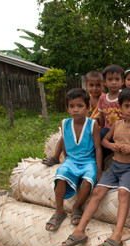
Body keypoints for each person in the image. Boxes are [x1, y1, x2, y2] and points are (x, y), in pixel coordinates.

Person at [59, 88, 130, 246]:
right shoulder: (117, 125)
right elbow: (104, 141)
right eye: (126, 106)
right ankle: (80, 230)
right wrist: (111, 145)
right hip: (115, 166)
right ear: (120, 108)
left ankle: (117, 235)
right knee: (97, 192)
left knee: (123, 194)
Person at [45, 88, 102, 231]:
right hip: (71, 160)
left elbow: (98, 148)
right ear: (67, 108)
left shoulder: (92, 124)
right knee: (60, 175)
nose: (76, 110)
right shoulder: (65, 123)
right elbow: (64, 140)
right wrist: (61, 157)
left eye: (80, 106)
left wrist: (99, 171)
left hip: (88, 160)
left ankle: (77, 207)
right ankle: (59, 211)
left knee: (89, 180)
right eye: (72, 106)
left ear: (88, 108)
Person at [42, 70, 103, 166]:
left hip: (96, 130)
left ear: (103, 85)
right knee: (65, 136)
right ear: (86, 85)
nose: (94, 88)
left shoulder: (104, 100)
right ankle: (56, 157)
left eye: (98, 85)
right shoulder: (85, 98)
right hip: (83, 126)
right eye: (91, 85)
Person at [99, 64, 125, 140]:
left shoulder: (124, 96)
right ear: (104, 82)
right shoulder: (102, 98)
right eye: (110, 80)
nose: (113, 82)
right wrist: (102, 128)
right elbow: (101, 116)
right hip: (108, 128)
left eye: (117, 79)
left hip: (123, 129)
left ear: (122, 81)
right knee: (100, 140)